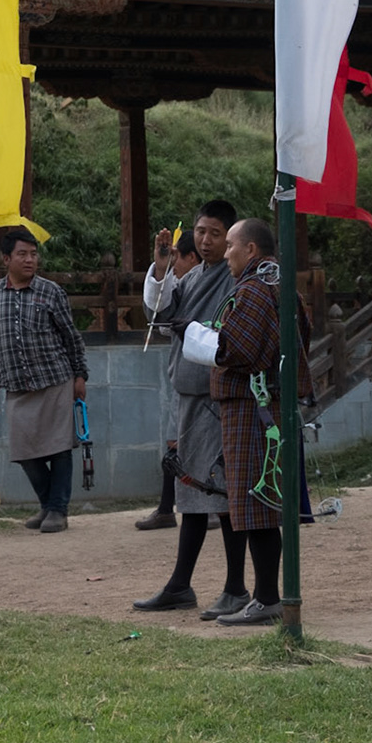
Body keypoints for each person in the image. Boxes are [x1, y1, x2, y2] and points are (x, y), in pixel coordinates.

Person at [184, 218, 311, 626]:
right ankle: (265, 595)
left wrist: (197, 337)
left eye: (231, 246)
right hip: (266, 404)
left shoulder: (255, 289)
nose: (226, 254)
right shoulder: (278, 284)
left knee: (255, 503)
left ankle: (268, 597)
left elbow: (236, 347)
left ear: (251, 250)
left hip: (252, 407)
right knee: (261, 501)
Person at [133, 200, 250, 622]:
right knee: (194, 495)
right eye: (200, 231)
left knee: (219, 494)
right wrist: (162, 267)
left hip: (218, 402)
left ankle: (235, 587)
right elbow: (159, 316)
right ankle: (180, 584)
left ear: (232, 238)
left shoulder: (237, 279)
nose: (205, 240)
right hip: (189, 401)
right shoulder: (193, 275)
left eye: (215, 233)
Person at [0, 228, 87, 534]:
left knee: (59, 448)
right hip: (17, 385)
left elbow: (71, 338)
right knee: (25, 453)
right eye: (23, 254)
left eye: (34, 254)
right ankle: (48, 502)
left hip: (54, 379)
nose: (30, 260)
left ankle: (58, 511)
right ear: (6, 258)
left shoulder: (51, 292)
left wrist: (80, 375)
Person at [135, 226, 199, 531]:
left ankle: (206, 507)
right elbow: (160, 319)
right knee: (176, 444)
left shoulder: (218, 283)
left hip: (209, 382)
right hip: (185, 379)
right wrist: (160, 271)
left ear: (192, 257)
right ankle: (166, 508)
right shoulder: (182, 285)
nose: (175, 265)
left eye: (178, 258)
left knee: (195, 447)